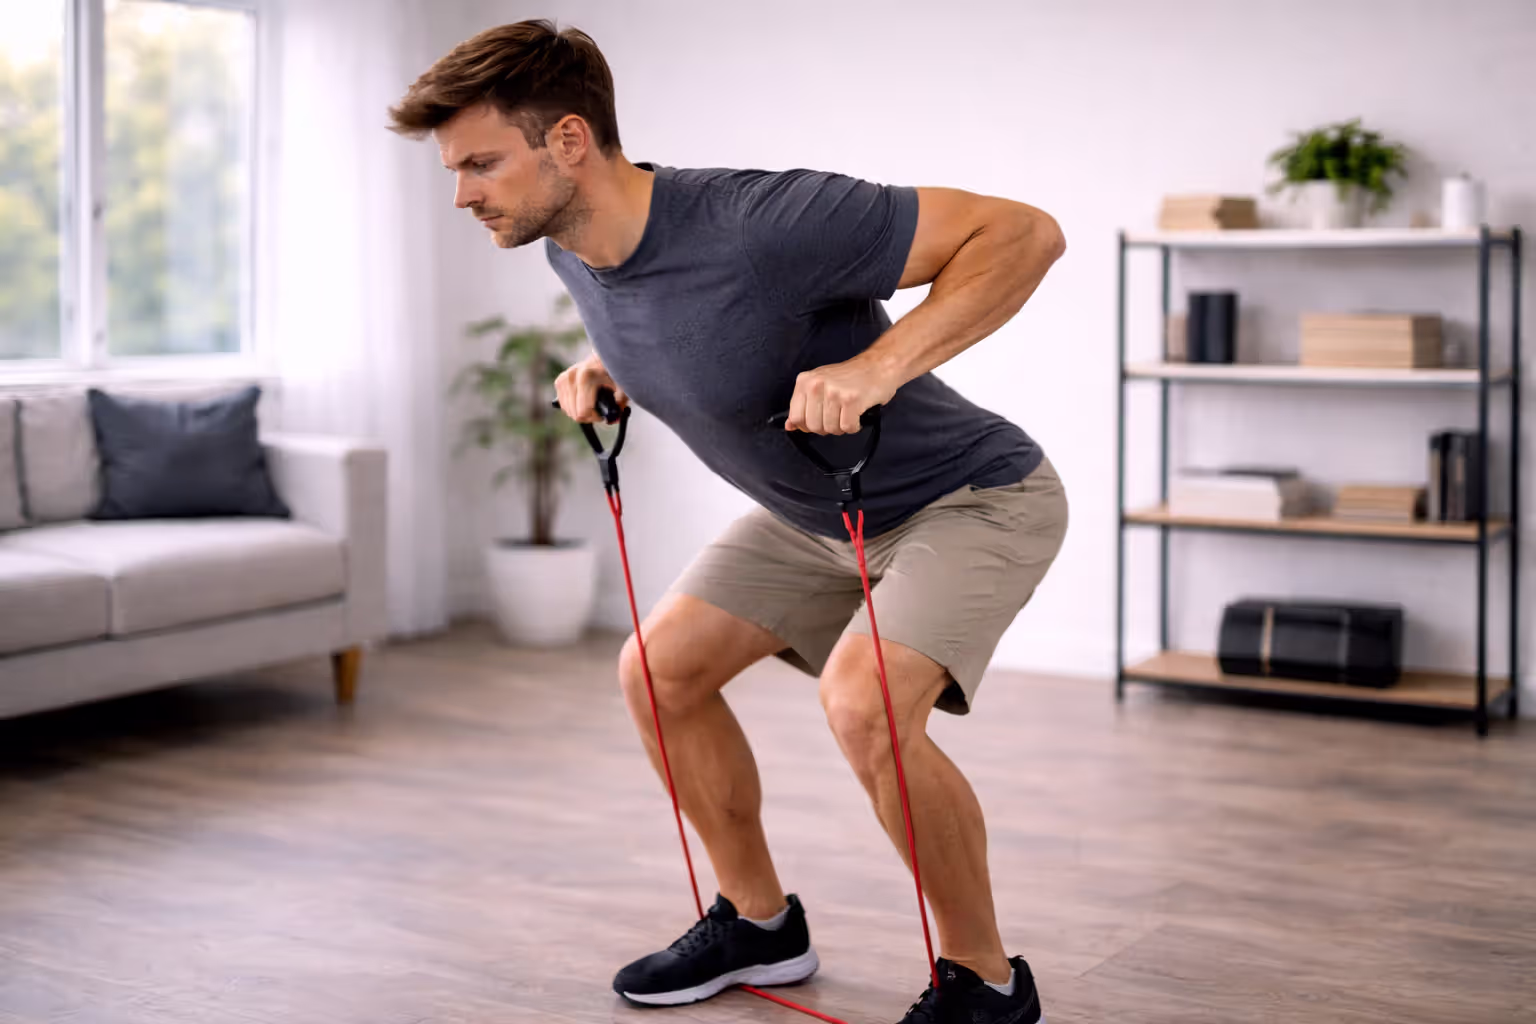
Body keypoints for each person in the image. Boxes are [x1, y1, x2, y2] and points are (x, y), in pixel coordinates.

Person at [390, 19, 1068, 1024]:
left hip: (968, 498)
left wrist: (878, 368)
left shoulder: (764, 221)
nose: (464, 194)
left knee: (865, 704)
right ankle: (760, 923)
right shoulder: (571, 247)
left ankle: (987, 979)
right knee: (657, 671)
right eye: (455, 169)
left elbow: (1025, 233)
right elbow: (699, 333)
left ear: (569, 142)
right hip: (812, 513)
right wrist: (608, 372)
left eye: (482, 162)